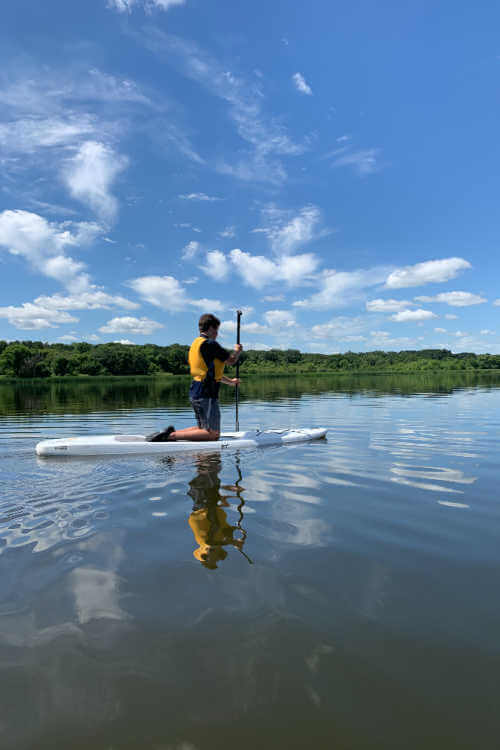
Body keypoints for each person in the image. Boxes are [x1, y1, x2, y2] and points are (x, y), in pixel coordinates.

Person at [147, 313, 242, 442]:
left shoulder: (196, 343)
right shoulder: (210, 344)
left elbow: (210, 372)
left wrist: (230, 382)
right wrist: (237, 351)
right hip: (206, 393)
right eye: (216, 330)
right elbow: (231, 361)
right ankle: (170, 437)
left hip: (197, 391)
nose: (217, 334)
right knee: (213, 434)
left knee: (202, 428)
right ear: (210, 329)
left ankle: (169, 433)